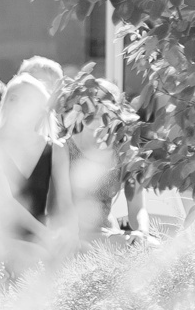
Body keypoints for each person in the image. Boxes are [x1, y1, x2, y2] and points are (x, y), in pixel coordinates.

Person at [0, 75, 71, 235]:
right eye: (13, 99)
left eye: (28, 101)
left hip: (39, 239)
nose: (19, 105)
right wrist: (46, 237)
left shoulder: (55, 149)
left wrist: (71, 236)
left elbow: (66, 204)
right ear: (4, 104)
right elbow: (6, 202)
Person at [57, 73, 148, 235]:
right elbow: (62, 208)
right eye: (91, 104)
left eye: (105, 105)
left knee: (154, 246)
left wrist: (142, 232)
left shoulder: (126, 153)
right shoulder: (64, 148)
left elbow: (137, 208)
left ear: (117, 112)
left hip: (108, 234)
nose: (97, 110)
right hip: (71, 235)